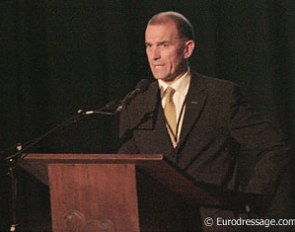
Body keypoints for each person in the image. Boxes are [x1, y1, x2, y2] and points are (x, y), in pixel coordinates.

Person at [118, 11, 292, 231]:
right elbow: (126, 167)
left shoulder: (221, 96)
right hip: (160, 223)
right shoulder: (136, 103)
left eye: (163, 45)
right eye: (148, 45)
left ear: (187, 48)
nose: (154, 55)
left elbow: (275, 146)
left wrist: (253, 200)